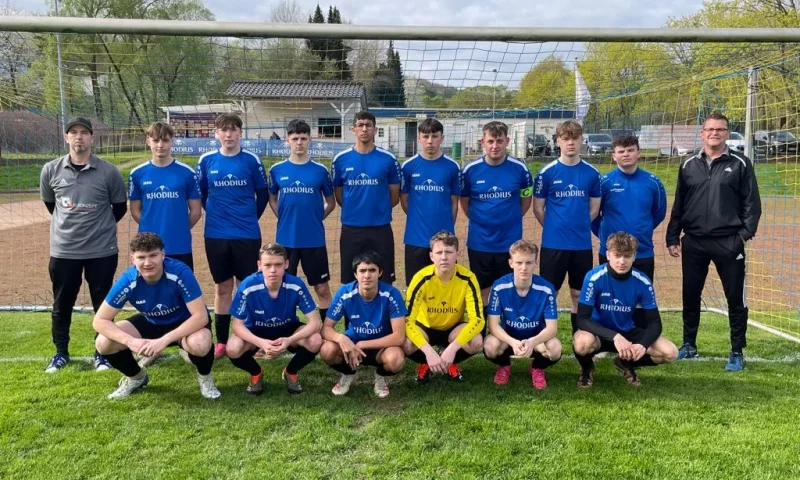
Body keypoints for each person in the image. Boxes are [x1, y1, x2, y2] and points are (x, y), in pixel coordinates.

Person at [666, 112, 762, 372]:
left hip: (728, 242)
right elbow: (680, 203)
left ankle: (736, 351)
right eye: (710, 129)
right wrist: (673, 235)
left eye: (720, 129)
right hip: (694, 241)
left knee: (735, 298)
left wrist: (742, 236)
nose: (714, 133)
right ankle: (689, 344)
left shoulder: (741, 163)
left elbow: (752, 205)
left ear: (727, 133)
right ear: (702, 133)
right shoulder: (688, 164)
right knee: (690, 294)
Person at [39, 117, 128, 373]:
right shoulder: (51, 170)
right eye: (73, 132)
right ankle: (60, 353)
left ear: (91, 138)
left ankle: (102, 353)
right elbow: (51, 205)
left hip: (102, 251)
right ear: (66, 137)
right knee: (62, 303)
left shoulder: (109, 172)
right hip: (64, 250)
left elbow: (119, 208)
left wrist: (98, 228)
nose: (79, 137)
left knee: (103, 305)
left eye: (84, 132)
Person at [92, 233, 220, 400]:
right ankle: (137, 377)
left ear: (163, 254)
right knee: (103, 343)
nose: (147, 262)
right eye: (141, 257)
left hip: (185, 323)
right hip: (152, 322)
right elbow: (99, 321)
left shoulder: (180, 272)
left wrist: (163, 341)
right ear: (133, 259)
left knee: (200, 343)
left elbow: (200, 317)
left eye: (153, 255)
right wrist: (131, 341)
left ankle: (205, 377)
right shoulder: (128, 280)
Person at [196, 113, 269, 359]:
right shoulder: (206, 161)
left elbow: (262, 195)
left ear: (240, 132)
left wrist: (248, 217)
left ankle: (252, 339)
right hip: (216, 234)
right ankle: (222, 341)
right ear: (217, 133)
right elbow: (202, 194)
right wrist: (218, 215)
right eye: (224, 130)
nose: (228, 135)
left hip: (247, 234)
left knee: (247, 287)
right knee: (222, 287)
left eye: (233, 130)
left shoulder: (251, 161)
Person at [573, 232, 678, 389]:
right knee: (582, 343)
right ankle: (587, 369)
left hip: (628, 332)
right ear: (608, 255)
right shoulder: (594, 278)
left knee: (670, 353)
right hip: (599, 333)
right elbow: (582, 319)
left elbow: (655, 323)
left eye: (627, 256)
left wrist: (642, 345)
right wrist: (615, 337)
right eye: (617, 255)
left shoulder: (642, 282)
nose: (622, 261)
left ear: (634, 257)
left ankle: (625, 363)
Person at [226, 243, 322, 395]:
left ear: (286, 264)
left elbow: (315, 323)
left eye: (278, 265)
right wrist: (260, 343)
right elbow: (237, 326)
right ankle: (256, 373)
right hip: (256, 331)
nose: (273, 270)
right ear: (259, 265)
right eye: (268, 265)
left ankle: (290, 371)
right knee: (233, 348)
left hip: (287, 329)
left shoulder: (296, 284)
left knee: (315, 340)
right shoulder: (248, 285)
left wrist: (289, 340)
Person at [533, 119, 601, 332]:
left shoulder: (592, 173)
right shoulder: (547, 173)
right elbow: (538, 209)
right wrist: (555, 228)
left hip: (581, 245)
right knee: (548, 293)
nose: (570, 143)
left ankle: (578, 338)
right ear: (557, 141)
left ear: (582, 140)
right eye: (565, 138)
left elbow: (594, 210)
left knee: (578, 294)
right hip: (553, 245)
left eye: (575, 138)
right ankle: (543, 339)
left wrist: (578, 227)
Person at [268, 119, 335, 323]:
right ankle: (282, 327)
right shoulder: (277, 170)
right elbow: (272, 198)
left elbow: (331, 202)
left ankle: (327, 330)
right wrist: (283, 216)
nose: (299, 142)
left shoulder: (320, 170)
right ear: (287, 140)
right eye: (295, 138)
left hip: (314, 240)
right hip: (285, 241)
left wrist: (316, 218)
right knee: (281, 287)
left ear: (309, 140)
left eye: (303, 138)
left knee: (322, 288)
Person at [460, 121, 533, 304]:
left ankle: (507, 323)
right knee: (482, 290)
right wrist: (482, 220)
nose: (495, 146)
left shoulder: (520, 169)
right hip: (480, 242)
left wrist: (511, 219)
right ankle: (485, 323)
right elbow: (465, 203)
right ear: (483, 142)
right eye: (490, 141)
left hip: (510, 242)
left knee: (508, 290)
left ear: (507, 141)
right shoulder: (470, 170)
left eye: (499, 141)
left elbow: (525, 201)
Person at [320, 251, 407, 398]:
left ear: (380, 273)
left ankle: (381, 375)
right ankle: (349, 373)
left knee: (396, 360)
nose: (367, 275)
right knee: (327, 350)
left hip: (381, 347)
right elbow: (326, 329)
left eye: (372, 270)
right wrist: (341, 338)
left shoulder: (392, 294)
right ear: (355, 274)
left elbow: (399, 337)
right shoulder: (345, 293)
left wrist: (362, 344)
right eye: (362, 271)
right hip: (352, 345)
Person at [403, 231, 484, 383]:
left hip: (453, 328)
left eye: (449, 252)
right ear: (431, 256)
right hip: (425, 327)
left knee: (476, 341)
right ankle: (427, 363)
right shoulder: (421, 278)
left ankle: (449, 361)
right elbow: (407, 320)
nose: (444, 257)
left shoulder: (468, 278)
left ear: (457, 254)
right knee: (406, 344)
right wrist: (428, 352)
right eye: (439, 252)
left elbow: (478, 320)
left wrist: (453, 348)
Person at [331, 111, 402, 284]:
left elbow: (394, 196)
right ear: (353, 129)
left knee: (384, 280)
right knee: (351, 280)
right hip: (351, 228)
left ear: (375, 130)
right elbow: (339, 194)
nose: (364, 129)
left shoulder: (388, 159)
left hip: (381, 228)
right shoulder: (340, 160)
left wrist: (379, 209)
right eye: (360, 125)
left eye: (368, 125)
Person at [484, 240, 561, 389]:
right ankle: (504, 365)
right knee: (489, 346)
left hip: (536, 339)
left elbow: (552, 329)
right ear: (511, 263)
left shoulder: (546, 288)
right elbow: (493, 326)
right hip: (508, 338)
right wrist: (512, 342)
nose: (524, 268)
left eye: (529, 262)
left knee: (555, 348)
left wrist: (532, 342)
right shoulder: (499, 286)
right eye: (519, 262)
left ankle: (537, 368)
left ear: (535, 263)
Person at [129, 122, 202, 270]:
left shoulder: (187, 173)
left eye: (165, 140)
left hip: (179, 245)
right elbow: (135, 211)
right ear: (148, 141)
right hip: (149, 247)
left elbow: (196, 212)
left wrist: (179, 228)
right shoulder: (137, 174)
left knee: (181, 283)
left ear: (172, 141)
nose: (160, 145)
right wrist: (151, 228)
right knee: (150, 283)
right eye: (156, 140)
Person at [593, 133, 666, 280]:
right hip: (611, 252)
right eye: (621, 151)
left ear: (639, 153)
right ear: (614, 156)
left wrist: (642, 228)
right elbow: (593, 214)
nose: (626, 154)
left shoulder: (653, 183)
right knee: (609, 292)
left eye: (630, 150)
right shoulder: (604, 182)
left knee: (641, 292)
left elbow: (659, 213)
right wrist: (603, 234)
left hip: (642, 251)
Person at [400, 118, 461, 284]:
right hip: (415, 239)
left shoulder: (452, 167)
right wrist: (417, 218)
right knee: (416, 287)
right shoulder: (408, 166)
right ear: (418, 138)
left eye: (434, 136)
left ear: (442, 138)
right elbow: (404, 200)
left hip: (444, 241)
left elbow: (454, 203)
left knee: (445, 286)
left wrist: (446, 229)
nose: (430, 141)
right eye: (425, 136)